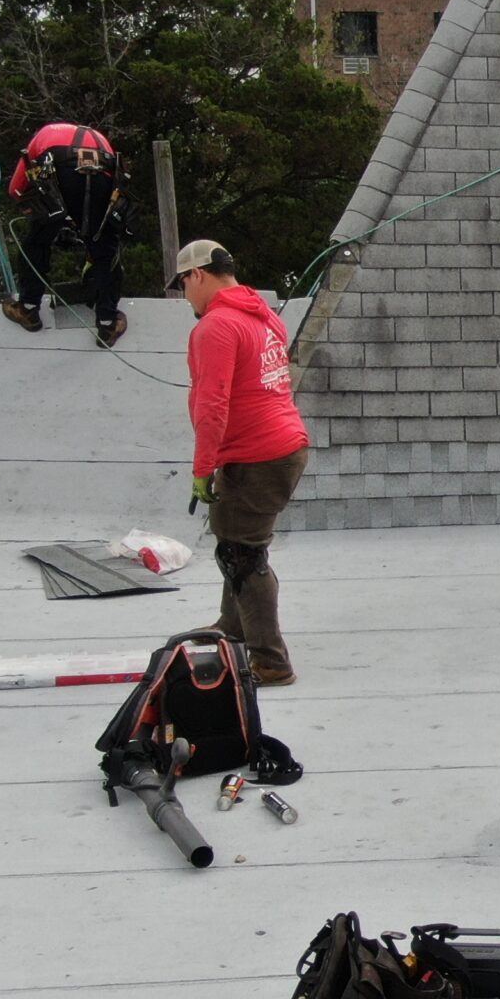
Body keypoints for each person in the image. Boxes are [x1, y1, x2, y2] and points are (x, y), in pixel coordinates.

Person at [178, 240, 312, 686]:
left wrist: (203, 468)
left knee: (243, 553)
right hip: (283, 445)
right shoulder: (263, 313)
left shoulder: (216, 327)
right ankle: (232, 628)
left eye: (183, 283)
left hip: (259, 454)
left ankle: (270, 661)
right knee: (238, 542)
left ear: (198, 274)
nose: (184, 295)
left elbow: (212, 404)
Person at [3, 121, 129, 347]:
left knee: (37, 241)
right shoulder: (98, 137)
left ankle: (28, 309)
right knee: (104, 247)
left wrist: (47, 217)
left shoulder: (42, 136)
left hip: (60, 169)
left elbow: (16, 189)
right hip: (105, 171)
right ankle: (107, 323)